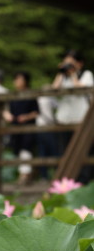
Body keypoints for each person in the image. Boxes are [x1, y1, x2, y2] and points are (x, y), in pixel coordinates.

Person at [52, 49, 94, 183]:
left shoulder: (86, 74)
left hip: (82, 119)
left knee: (84, 151)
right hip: (64, 119)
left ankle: (84, 180)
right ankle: (68, 181)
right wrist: (61, 73)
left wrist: (73, 74)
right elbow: (54, 89)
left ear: (80, 63)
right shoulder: (63, 77)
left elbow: (82, 88)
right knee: (65, 151)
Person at [3, 71, 39, 185]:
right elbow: (7, 110)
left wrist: (26, 117)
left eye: (20, 79)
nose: (17, 82)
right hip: (15, 126)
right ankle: (24, 173)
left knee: (26, 149)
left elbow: (36, 112)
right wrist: (7, 115)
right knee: (18, 150)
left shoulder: (31, 95)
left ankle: (25, 174)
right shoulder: (13, 95)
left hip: (27, 126)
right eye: (16, 79)